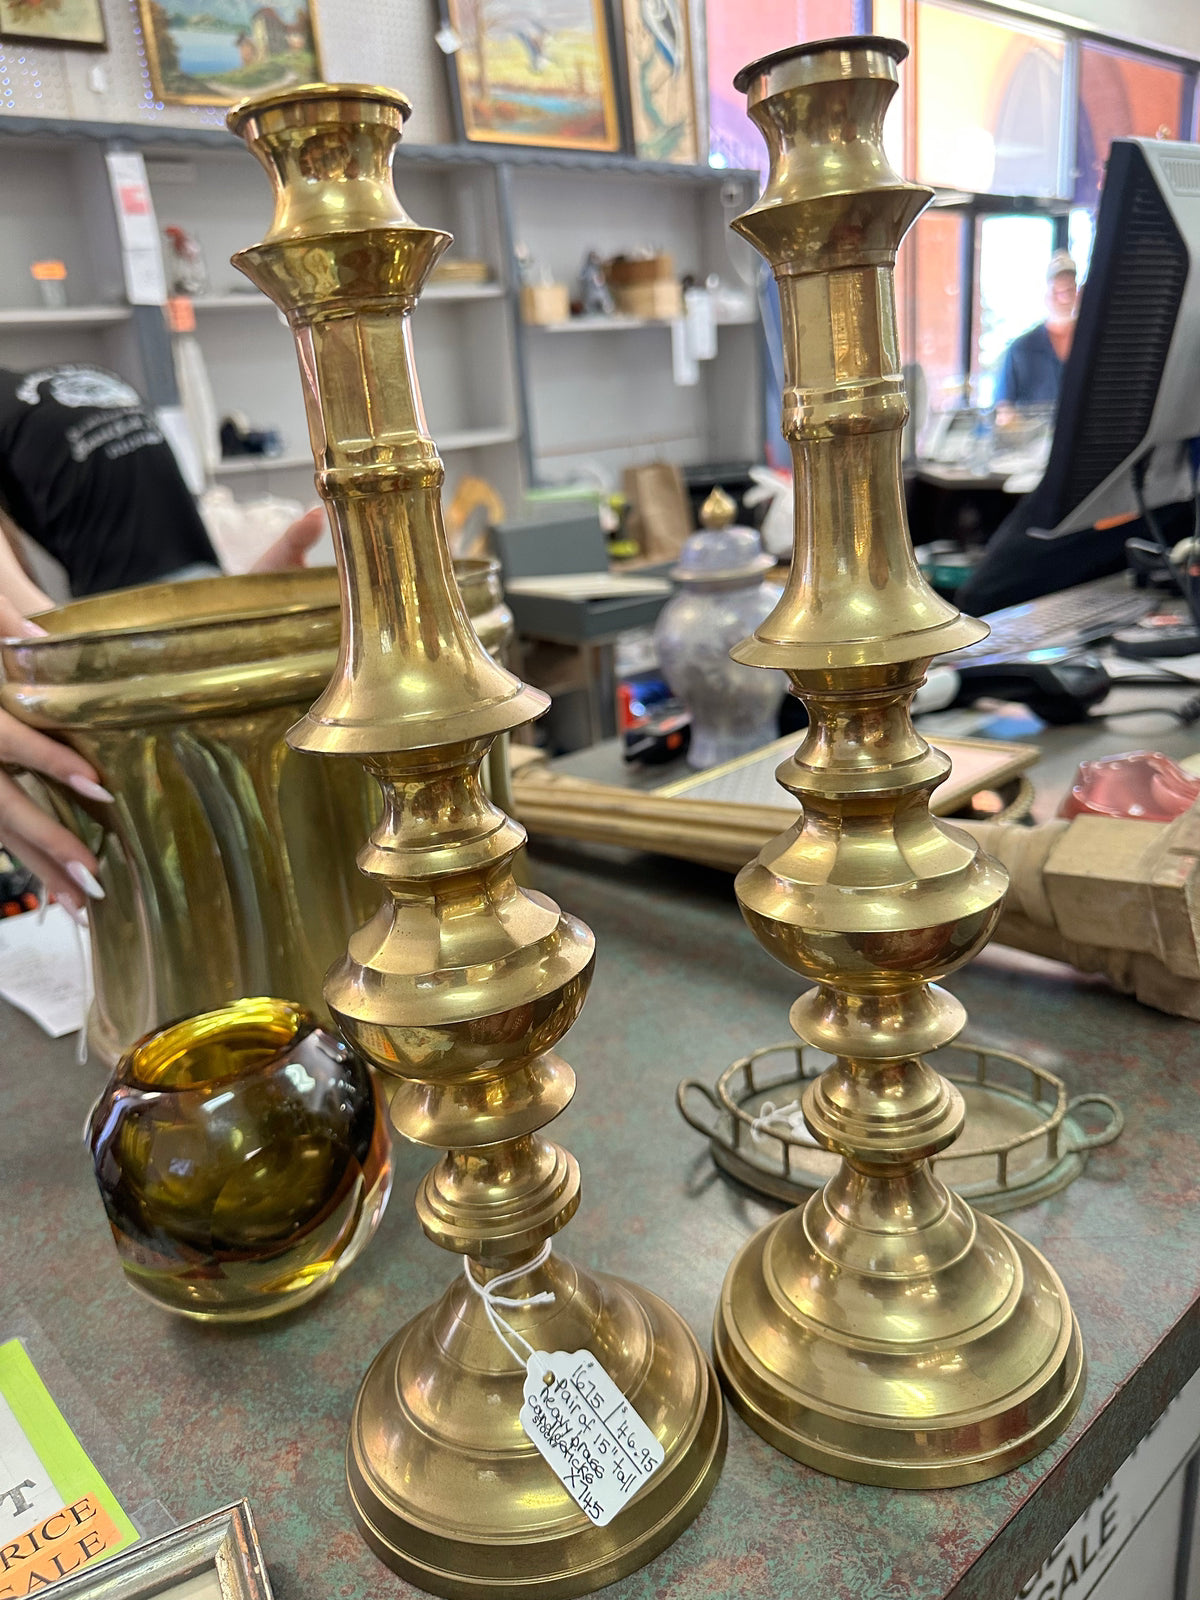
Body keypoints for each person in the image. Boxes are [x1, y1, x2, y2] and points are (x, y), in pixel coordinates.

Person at [994, 251, 1078, 418]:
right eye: (1057, 287)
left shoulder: (1094, 345)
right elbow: (1004, 412)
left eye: (1069, 287)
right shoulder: (1020, 350)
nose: (1064, 294)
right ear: (1046, 292)